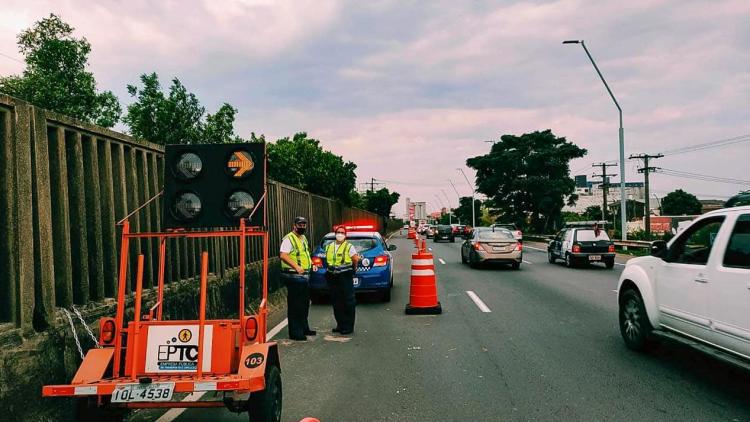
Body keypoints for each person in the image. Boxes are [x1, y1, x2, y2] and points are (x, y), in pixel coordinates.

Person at [280, 216, 316, 341]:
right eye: (299, 225)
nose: (302, 227)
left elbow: (305, 253)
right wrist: (297, 267)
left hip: (304, 276)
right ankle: (295, 332)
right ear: (294, 225)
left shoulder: (303, 238)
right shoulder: (289, 239)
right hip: (293, 275)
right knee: (296, 305)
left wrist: (311, 264)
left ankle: (304, 328)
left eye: (304, 225)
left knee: (304, 304)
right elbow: (283, 255)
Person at [325, 226, 359, 335]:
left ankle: (348, 327)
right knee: (336, 301)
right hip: (332, 276)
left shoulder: (349, 247)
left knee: (348, 301)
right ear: (335, 234)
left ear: (345, 235)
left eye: (342, 232)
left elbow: (355, 259)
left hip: (345, 276)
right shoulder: (329, 246)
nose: (340, 234)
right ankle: (340, 324)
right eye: (338, 232)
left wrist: (353, 269)